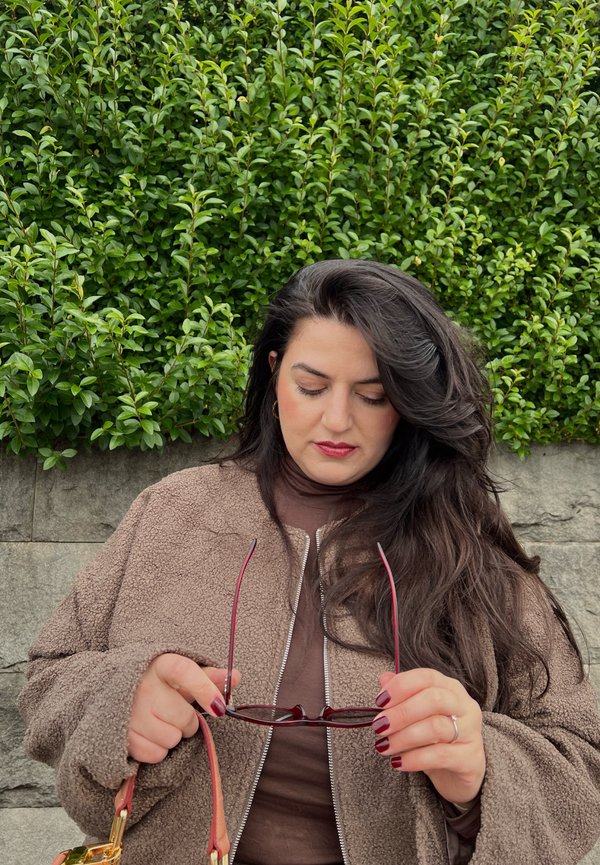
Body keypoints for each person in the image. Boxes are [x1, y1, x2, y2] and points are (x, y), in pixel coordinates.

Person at [19, 260, 600, 865]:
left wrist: (480, 769)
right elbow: (47, 680)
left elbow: (580, 756)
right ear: (274, 374)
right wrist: (123, 698)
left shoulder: (465, 550)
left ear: (407, 402)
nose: (337, 421)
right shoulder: (173, 512)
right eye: (312, 386)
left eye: (374, 395)